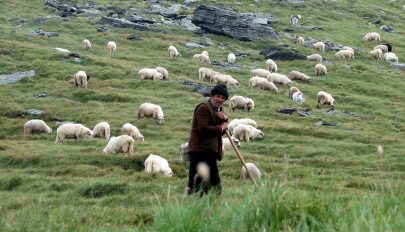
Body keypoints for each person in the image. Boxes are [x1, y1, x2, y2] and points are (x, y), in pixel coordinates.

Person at [187, 84, 229, 196]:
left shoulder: (218, 110)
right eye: (218, 96)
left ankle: (215, 208)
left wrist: (224, 124)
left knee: (215, 184)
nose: (220, 99)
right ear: (212, 96)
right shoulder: (203, 108)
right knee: (197, 185)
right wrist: (221, 127)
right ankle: (193, 210)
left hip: (210, 152)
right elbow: (203, 129)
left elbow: (220, 132)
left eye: (223, 98)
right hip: (199, 152)